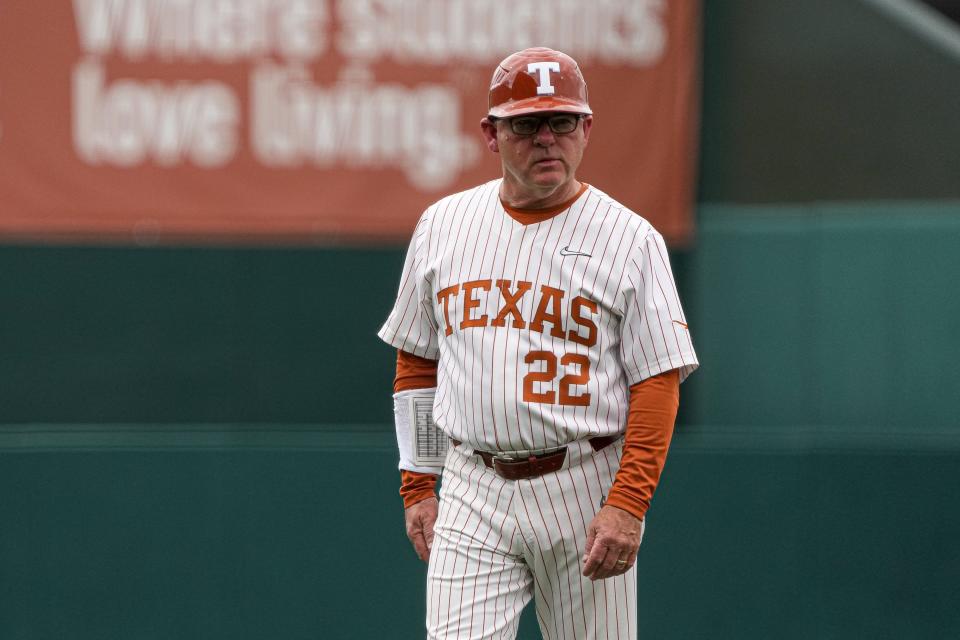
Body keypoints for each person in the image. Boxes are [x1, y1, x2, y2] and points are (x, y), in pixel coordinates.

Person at [378, 47, 698, 639]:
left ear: (587, 129)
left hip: (586, 481)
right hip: (473, 483)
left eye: (563, 122)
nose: (548, 138)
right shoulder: (443, 224)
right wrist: (419, 484)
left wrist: (629, 504)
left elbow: (657, 381)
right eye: (527, 124)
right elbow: (417, 358)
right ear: (492, 134)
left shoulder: (632, 239)